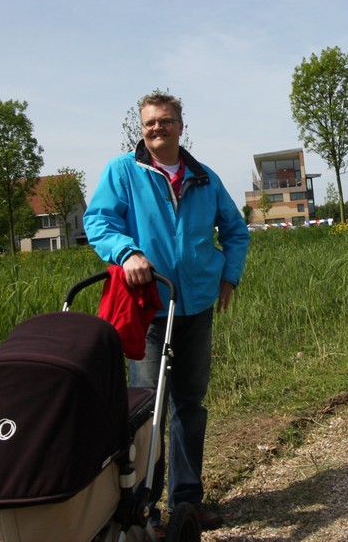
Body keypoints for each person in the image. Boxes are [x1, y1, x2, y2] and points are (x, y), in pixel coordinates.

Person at [83, 91, 250, 534]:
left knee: (189, 404)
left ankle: (187, 502)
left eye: (165, 120)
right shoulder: (123, 171)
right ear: (142, 129)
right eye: (149, 123)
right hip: (150, 307)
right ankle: (145, 509)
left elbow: (236, 231)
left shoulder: (204, 177)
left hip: (196, 306)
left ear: (180, 125)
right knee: (147, 409)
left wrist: (229, 277)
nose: (157, 128)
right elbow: (98, 221)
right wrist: (127, 252)